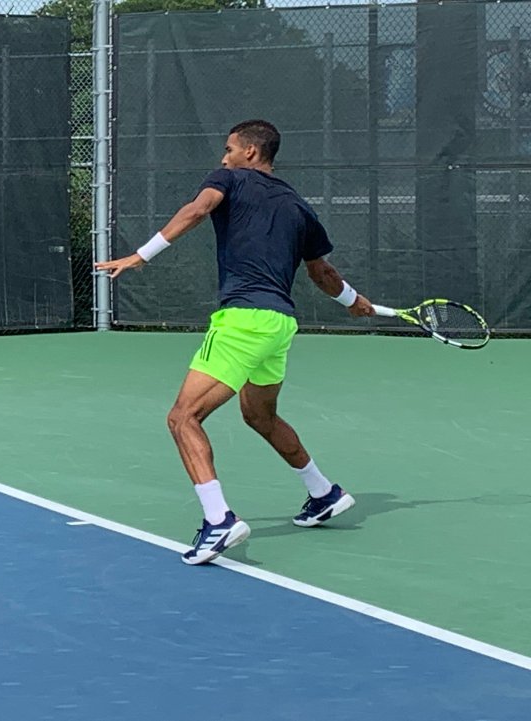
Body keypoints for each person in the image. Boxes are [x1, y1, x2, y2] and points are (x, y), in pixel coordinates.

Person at [95, 119, 375, 566]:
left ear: (249, 152)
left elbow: (197, 209)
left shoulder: (227, 179)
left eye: (229, 149)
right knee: (259, 416)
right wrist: (352, 300)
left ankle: (218, 520)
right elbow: (321, 272)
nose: (222, 158)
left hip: (242, 321)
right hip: (279, 325)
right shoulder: (298, 206)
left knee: (183, 417)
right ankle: (323, 493)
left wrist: (139, 255)